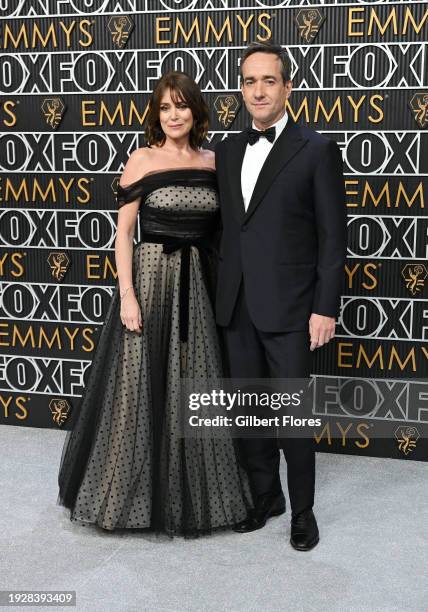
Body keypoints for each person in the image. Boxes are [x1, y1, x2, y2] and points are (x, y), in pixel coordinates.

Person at [57, 70, 252, 537]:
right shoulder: (141, 160)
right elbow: (123, 234)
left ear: (196, 111)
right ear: (156, 114)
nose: (173, 115)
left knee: (195, 382)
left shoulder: (213, 161)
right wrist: (127, 295)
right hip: (149, 279)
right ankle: (129, 493)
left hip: (199, 284)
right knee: (138, 388)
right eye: (165, 107)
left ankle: (200, 493)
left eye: (181, 105)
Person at [215, 41, 347, 550]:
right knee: (248, 413)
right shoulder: (227, 149)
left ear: (287, 87)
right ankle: (266, 497)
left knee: (292, 416)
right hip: (236, 305)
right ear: (241, 89)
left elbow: (334, 237)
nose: (258, 90)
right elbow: (228, 230)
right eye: (249, 81)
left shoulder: (314, 148)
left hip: (293, 307)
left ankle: (304, 513)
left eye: (269, 80)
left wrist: (324, 306)